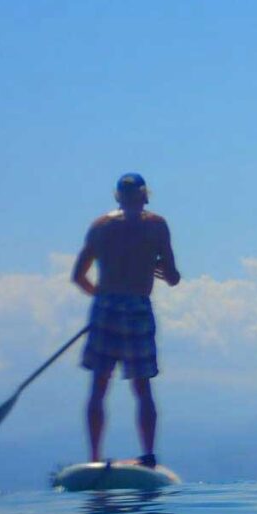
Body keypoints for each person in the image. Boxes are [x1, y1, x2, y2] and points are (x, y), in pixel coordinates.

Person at [72, 173, 181, 468]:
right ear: (144, 196)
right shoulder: (156, 226)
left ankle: (94, 457)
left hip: (105, 307)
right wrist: (159, 267)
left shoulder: (100, 227)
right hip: (136, 308)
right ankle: (148, 455)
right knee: (142, 386)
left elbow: (78, 277)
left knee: (99, 385)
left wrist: (104, 298)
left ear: (118, 197)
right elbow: (173, 277)